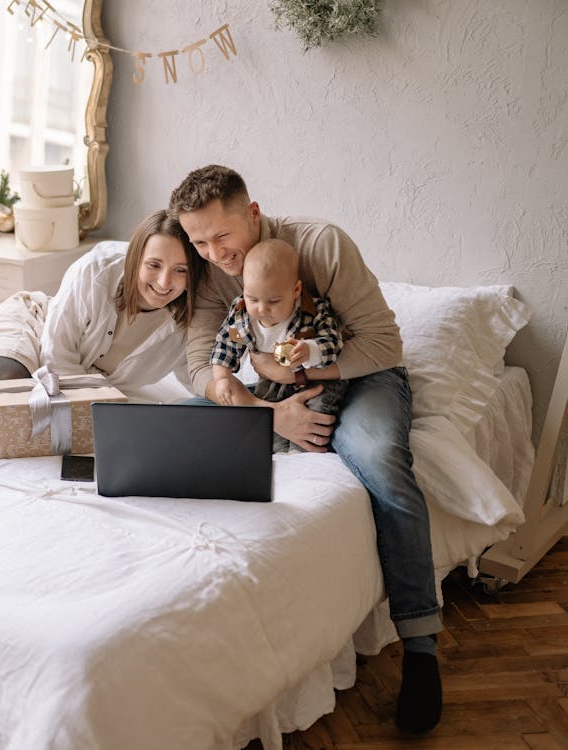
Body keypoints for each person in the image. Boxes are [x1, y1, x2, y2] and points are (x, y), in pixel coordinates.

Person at [170, 165, 442, 734]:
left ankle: (420, 649)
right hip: (270, 394)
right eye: (197, 241)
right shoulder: (209, 270)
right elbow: (200, 363)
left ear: (252, 213)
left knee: (378, 460)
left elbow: (382, 342)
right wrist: (254, 401)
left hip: (362, 375)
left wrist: (289, 367)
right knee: (178, 427)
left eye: (221, 236)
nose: (212, 253)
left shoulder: (320, 244)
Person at [0, 209, 203, 429]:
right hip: (37, 324)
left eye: (180, 271)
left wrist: (234, 405)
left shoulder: (188, 320)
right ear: (135, 258)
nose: (164, 283)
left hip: (70, 374)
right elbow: (57, 353)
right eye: (154, 265)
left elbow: (197, 374)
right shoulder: (98, 269)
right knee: (5, 376)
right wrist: (81, 410)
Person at [209, 237, 347, 452]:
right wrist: (222, 377)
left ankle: (304, 452)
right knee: (265, 421)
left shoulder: (313, 311)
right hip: (270, 379)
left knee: (316, 412)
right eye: (253, 298)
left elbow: (333, 343)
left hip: (315, 377)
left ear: (296, 290)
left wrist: (310, 350)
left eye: (273, 301)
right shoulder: (241, 312)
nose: (262, 309)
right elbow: (226, 343)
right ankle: (277, 452)